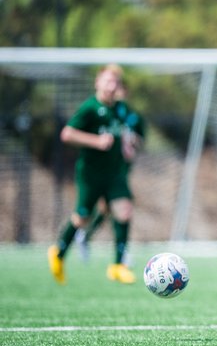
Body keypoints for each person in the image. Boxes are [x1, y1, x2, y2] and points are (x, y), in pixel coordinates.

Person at [47, 64, 144, 285]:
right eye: (108, 81)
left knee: (124, 210)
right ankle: (58, 253)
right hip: (91, 174)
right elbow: (67, 134)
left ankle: (118, 265)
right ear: (97, 83)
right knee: (82, 217)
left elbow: (128, 133)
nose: (112, 86)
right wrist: (96, 141)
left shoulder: (121, 109)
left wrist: (129, 144)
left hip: (115, 173)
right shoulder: (90, 108)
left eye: (115, 83)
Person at [74, 82, 143, 264]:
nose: (116, 95)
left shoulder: (131, 115)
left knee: (113, 208)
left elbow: (138, 139)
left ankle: (93, 239)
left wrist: (131, 144)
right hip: (101, 171)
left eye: (120, 91)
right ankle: (113, 249)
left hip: (120, 170)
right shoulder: (99, 111)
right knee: (112, 208)